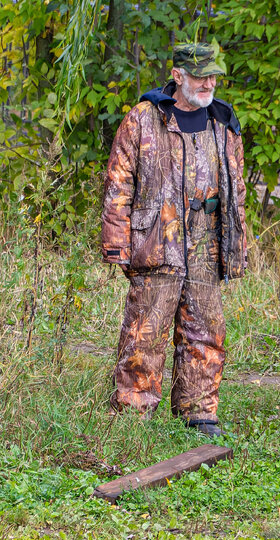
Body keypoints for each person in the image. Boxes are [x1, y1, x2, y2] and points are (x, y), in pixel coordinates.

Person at [101, 41, 249, 439]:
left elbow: (236, 189)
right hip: (157, 237)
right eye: (201, 76)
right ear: (178, 75)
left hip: (207, 241)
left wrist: (238, 242)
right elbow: (119, 181)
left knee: (206, 328)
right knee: (145, 330)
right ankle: (133, 410)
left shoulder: (223, 121)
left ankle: (198, 411)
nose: (209, 83)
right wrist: (117, 242)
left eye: (213, 76)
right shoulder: (143, 119)